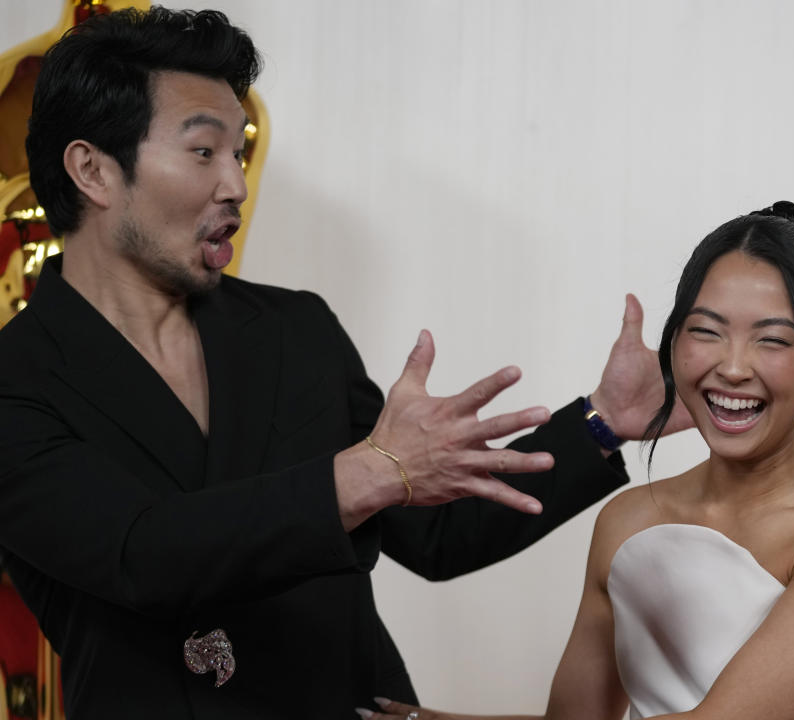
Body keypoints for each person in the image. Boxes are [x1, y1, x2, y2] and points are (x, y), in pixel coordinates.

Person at [0, 7, 691, 719]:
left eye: (237, 153)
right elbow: (142, 555)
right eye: (204, 152)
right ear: (93, 170)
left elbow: (437, 536)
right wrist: (369, 472)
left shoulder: (292, 330)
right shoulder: (16, 381)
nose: (235, 185)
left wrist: (603, 423)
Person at [370, 202, 794, 720]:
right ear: (673, 344)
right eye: (705, 331)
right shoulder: (629, 521)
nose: (733, 367)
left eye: (772, 340)